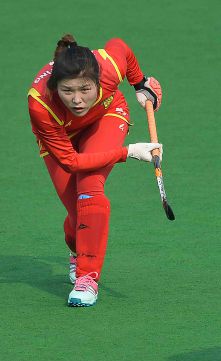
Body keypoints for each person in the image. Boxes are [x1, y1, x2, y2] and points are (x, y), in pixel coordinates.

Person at [28, 34, 163, 307]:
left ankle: (86, 278)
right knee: (78, 216)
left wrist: (140, 83)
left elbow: (121, 46)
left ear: (98, 80)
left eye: (85, 89)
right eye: (67, 91)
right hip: (60, 137)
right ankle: (78, 250)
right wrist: (128, 152)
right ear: (55, 86)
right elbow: (71, 162)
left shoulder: (108, 67)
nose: (77, 100)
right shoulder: (40, 104)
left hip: (106, 116)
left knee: (89, 189)